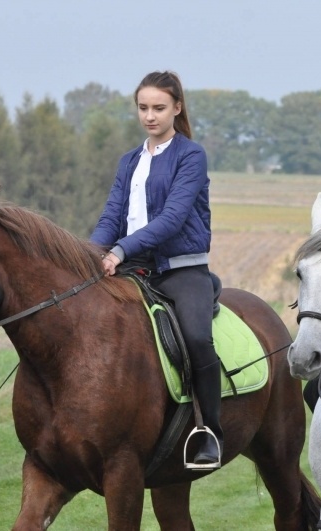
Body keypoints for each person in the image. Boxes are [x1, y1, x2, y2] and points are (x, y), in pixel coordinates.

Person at [90, 71, 223, 469]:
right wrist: (91, 253)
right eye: (143, 108)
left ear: (177, 108)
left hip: (182, 269)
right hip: (133, 267)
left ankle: (209, 432)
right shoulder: (129, 160)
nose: (150, 116)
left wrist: (120, 250)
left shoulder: (191, 155)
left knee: (198, 339)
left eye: (159, 108)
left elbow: (173, 218)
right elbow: (112, 214)